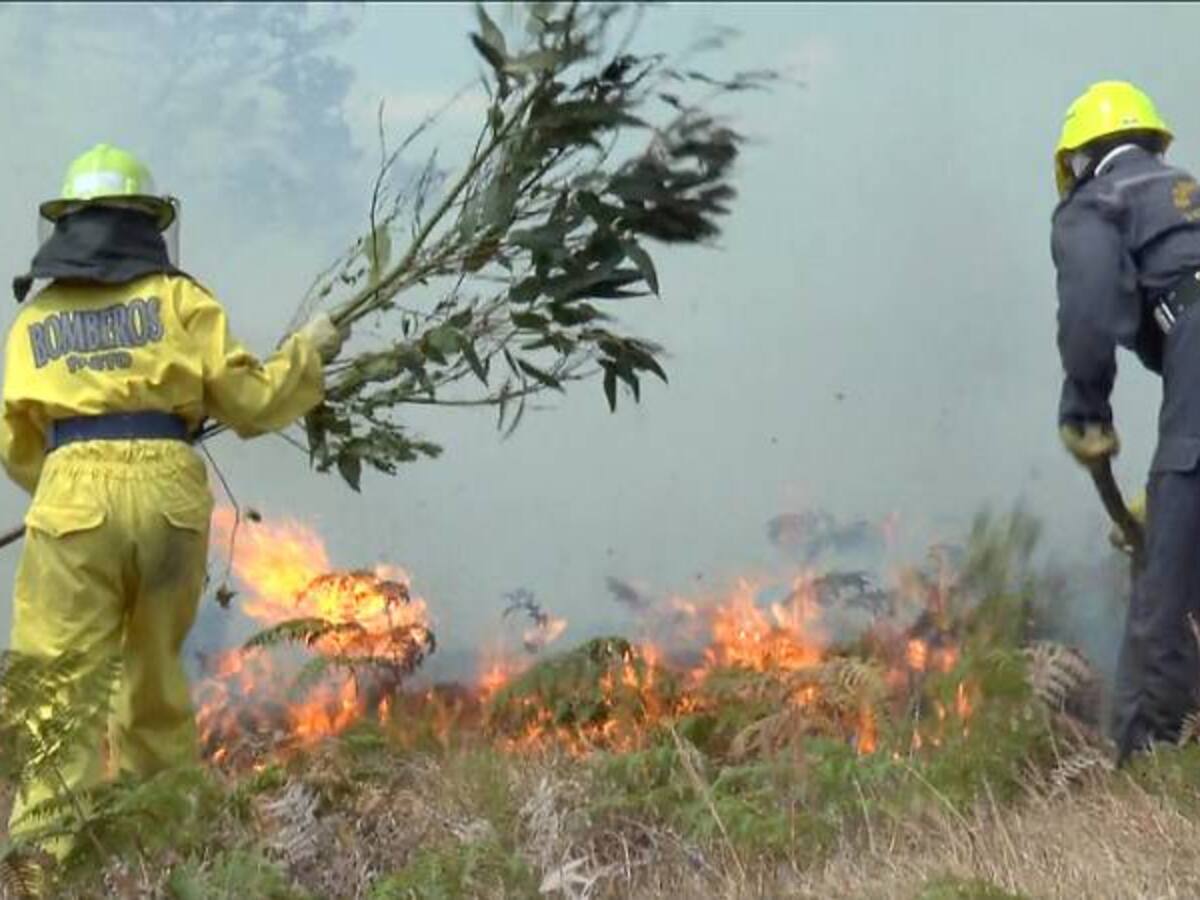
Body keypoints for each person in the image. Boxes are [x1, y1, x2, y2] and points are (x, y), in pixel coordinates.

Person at [0, 143, 345, 848]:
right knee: (153, 679)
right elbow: (250, 403)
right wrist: (309, 354)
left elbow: (15, 443)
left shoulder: (34, 321)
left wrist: (68, 496)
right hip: (170, 498)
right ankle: (158, 852)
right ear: (147, 224)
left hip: (71, 501)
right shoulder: (183, 299)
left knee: (58, 693)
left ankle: (46, 867)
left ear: (68, 227)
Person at [1052, 82, 1200, 762]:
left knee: (1162, 600)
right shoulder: (1183, 194)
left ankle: (1151, 764)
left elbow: (1088, 311)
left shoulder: (1096, 202)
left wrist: (1086, 409)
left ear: (1078, 160)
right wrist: (1169, 495)